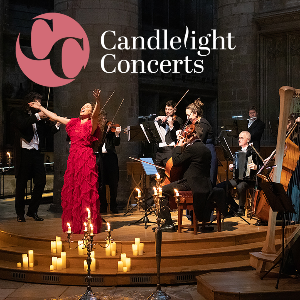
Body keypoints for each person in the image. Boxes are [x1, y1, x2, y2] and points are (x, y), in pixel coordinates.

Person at [29, 89, 102, 234]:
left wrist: (97, 101)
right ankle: (76, 222)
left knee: (86, 190)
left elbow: (95, 115)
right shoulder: (73, 122)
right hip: (74, 158)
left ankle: (87, 222)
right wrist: (41, 108)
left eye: (87, 107)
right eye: (83, 106)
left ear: (91, 111)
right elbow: (55, 117)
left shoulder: (92, 124)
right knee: (74, 190)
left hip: (86, 158)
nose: (83, 107)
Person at [11, 92, 60, 222]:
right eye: (37, 102)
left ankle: (32, 211)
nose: (40, 105)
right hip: (24, 152)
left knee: (41, 181)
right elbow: (22, 124)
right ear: (30, 103)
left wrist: (57, 125)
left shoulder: (38, 118)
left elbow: (47, 133)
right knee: (21, 184)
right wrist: (38, 115)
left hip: (36, 153)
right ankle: (20, 213)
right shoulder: (18, 113)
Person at [158, 124, 213, 230]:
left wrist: (178, 146)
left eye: (186, 136)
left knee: (162, 190)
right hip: (205, 184)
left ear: (192, 135)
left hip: (190, 184)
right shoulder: (206, 149)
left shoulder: (192, 149)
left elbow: (177, 161)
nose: (185, 137)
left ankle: (168, 222)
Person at [217, 131, 262, 215]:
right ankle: (234, 205)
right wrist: (232, 167)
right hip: (237, 179)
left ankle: (241, 209)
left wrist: (256, 167)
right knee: (221, 187)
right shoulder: (238, 153)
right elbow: (237, 168)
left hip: (250, 180)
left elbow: (262, 166)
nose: (239, 140)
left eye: (241, 138)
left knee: (240, 186)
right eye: (239, 138)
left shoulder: (254, 151)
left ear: (248, 140)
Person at [184, 99, 218, 187]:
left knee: (209, 182)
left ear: (195, 113)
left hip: (208, 152)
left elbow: (199, 140)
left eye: (189, 115)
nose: (188, 118)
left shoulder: (203, 123)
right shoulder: (196, 124)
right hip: (203, 152)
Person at [97, 111, 121, 214]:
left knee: (113, 182)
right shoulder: (97, 130)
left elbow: (117, 143)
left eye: (105, 118)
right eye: (102, 118)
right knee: (101, 183)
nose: (105, 120)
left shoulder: (111, 130)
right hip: (100, 158)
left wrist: (116, 134)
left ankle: (113, 206)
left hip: (111, 157)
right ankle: (103, 206)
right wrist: (104, 132)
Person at [154, 100, 183, 171]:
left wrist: (171, 125)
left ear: (175, 110)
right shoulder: (162, 119)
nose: (167, 111)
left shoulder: (178, 121)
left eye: (170, 109)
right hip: (159, 149)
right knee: (154, 172)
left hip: (170, 150)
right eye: (166, 109)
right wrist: (157, 119)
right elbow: (154, 129)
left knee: (169, 171)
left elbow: (175, 137)